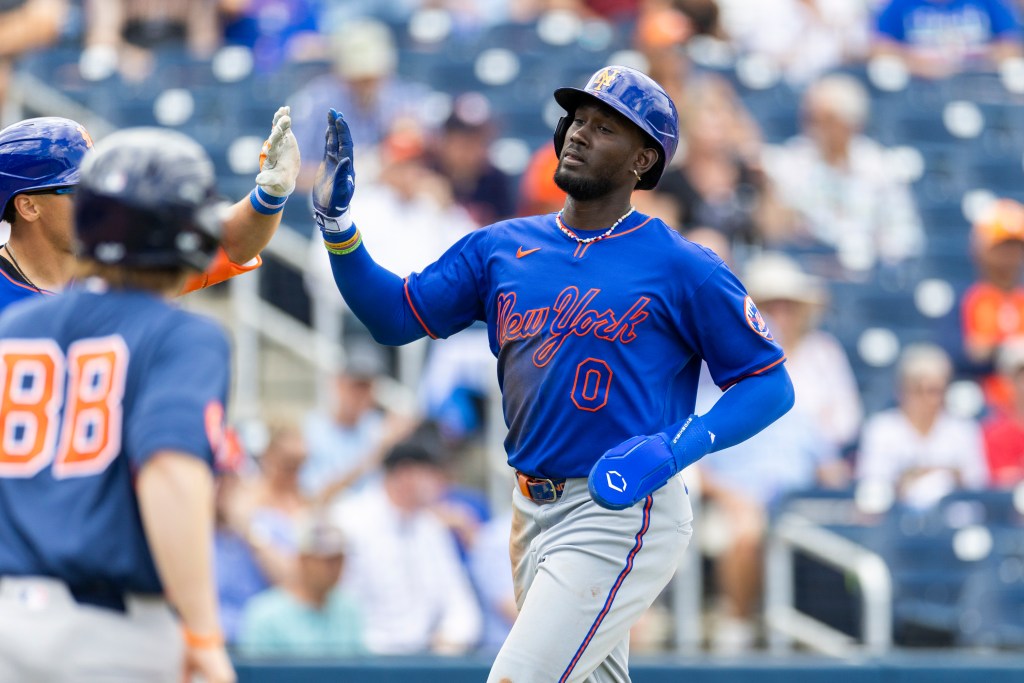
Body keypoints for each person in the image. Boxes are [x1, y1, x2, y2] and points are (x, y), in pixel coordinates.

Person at [312, 64, 794, 680]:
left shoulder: (682, 265)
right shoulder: (500, 247)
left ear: (643, 160)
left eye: (605, 128)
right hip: (529, 507)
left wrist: (677, 449)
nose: (579, 134)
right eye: (578, 120)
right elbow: (396, 317)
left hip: (620, 508)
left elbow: (769, 383)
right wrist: (339, 229)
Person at [0, 128, 236, 682]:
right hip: (110, 633)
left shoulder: (12, 331)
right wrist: (202, 631)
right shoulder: (182, 336)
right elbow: (170, 474)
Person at [0, 107, 299, 312]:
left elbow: (234, 244)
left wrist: (271, 194)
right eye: (80, 191)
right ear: (28, 206)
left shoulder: (118, 262)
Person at [332, 439, 483, 655]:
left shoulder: (432, 528)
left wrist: (449, 643)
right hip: (362, 660)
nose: (443, 486)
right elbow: (337, 603)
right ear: (405, 474)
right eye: (434, 476)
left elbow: (460, 603)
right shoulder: (348, 520)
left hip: (425, 661)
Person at [763, 73, 923, 271]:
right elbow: (780, 229)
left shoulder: (880, 166)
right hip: (807, 269)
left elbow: (903, 234)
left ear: (851, 124)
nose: (817, 128)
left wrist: (872, 255)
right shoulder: (790, 163)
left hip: (869, 272)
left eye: (828, 120)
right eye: (812, 119)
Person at [856, 343, 988, 509]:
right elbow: (873, 487)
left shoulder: (963, 430)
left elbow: (977, 486)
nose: (927, 400)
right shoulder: (881, 429)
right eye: (918, 390)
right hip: (897, 523)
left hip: (953, 521)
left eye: (934, 390)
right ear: (902, 390)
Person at [237, 514, 364, 657]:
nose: (335, 568)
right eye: (327, 561)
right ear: (303, 560)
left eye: (339, 559)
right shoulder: (265, 615)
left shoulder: (348, 608)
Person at [872, 0, 1023, 79]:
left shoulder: (989, 2)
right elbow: (879, 48)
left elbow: (1011, 46)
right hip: (919, 89)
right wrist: (915, 63)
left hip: (978, 85)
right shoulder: (900, 4)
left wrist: (968, 63)